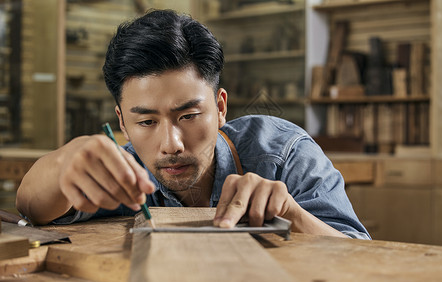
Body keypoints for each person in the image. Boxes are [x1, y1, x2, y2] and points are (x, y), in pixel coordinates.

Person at [16, 9, 369, 239]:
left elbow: (363, 256)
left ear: (220, 107)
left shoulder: (283, 153)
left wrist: (291, 214)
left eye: (188, 116)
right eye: (147, 121)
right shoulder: (121, 173)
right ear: (122, 122)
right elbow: (30, 206)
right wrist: (63, 164)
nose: (171, 144)